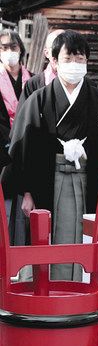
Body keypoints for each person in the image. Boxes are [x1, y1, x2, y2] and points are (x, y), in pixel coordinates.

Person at [4, 30, 98, 280]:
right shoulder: (39, 99)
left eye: (80, 59)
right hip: (48, 180)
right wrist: (27, 191)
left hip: (88, 177)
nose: (75, 65)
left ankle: (84, 291)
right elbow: (23, 147)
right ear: (54, 61)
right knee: (48, 240)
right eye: (68, 59)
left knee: (87, 237)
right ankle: (49, 292)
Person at [0, 29, 31, 246]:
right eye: (4, 48)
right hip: (3, 150)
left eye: (13, 47)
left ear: (21, 50)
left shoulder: (33, 79)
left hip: (28, 149)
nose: (9, 51)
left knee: (25, 207)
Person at [19, 28, 64, 105]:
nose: (62, 53)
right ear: (46, 53)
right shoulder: (33, 84)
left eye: (66, 48)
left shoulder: (82, 83)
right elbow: (25, 115)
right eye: (56, 48)